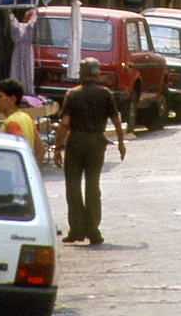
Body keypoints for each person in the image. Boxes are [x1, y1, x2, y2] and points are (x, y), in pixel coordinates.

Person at [53, 57, 126, 245]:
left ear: (81, 74)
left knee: (73, 187)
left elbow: (64, 124)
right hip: (96, 143)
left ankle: (76, 230)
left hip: (76, 141)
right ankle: (93, 231)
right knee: (93, 186)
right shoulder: (106, 94)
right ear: (98, 74)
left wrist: (57, 148)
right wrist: (120, 143)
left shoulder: (72, 94)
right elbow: (117, 121)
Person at [0, 77, 45, 166]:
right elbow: (40, 149)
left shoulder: (11, 122)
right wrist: (31, 174)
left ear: (12, 99)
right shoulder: (26, 118)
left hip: (10, 174)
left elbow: (17, 152)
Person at [9, 9, 38, 95]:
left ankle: (27, 92)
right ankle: (15, 91)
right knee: (16, 70)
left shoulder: (31, 24)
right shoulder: (16, 24)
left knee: (28, 72)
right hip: (18, 50)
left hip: (28, 51)